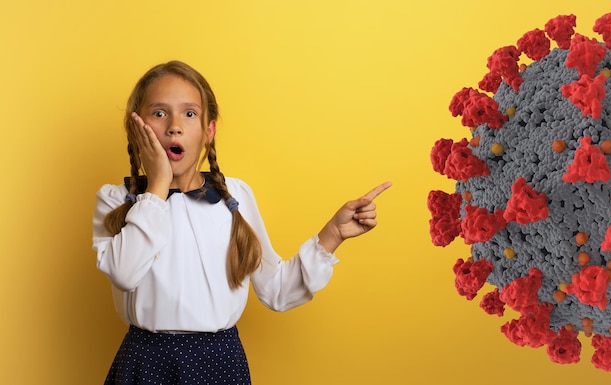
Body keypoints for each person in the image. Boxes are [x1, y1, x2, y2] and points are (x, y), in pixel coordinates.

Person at [92, 60, 391, 385]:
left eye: (189, 114)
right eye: (159, 113)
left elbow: (277, 290)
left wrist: (333, 234)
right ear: (137, 127)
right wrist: (158, 186)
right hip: (145, 364)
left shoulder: (235, 196)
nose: (174, 126)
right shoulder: (115, 198)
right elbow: (124, 273)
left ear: (209, 130)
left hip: (220, 364)